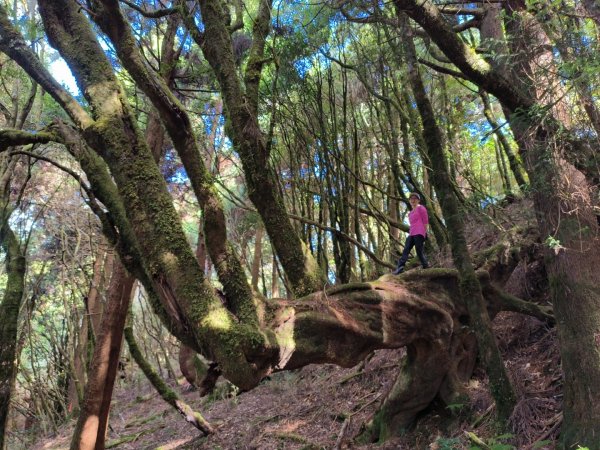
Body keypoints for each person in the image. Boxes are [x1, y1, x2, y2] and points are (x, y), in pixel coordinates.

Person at [393, 193, 429, 274]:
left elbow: (425, 221)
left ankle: (425, 265)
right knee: (406, 249)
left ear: (418, 200)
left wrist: (424, 232)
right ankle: (400, 268)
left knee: (419, 251)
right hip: (412, 233)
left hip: (419, 232)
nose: (413, 200)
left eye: (415, 199)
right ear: (409, 201)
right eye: (411, 199)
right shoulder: (410, 213)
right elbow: (412, 224)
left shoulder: (421, 208)